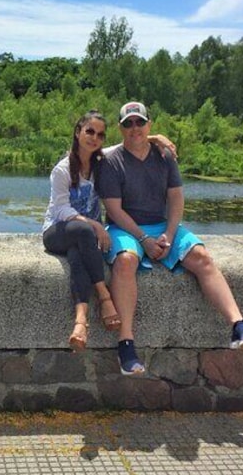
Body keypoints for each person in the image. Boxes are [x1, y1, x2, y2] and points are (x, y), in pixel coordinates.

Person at [98, 101, 243, 376]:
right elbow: (114, 209)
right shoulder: (111, 161)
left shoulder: (164, 156)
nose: (134, 128)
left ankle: (239, 326)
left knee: (202, 257)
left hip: (163, 225)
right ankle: (126, 344)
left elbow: (176, 198)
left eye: (140, 122)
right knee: (125, 261)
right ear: (120, 128)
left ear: (149, 124)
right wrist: (143, 240)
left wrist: (170, 234)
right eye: (128, 124)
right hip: (124, 227)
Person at [42, 110, 174, 352]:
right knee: (83, 232)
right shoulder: (62, 169)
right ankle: (104, 297)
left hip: (85, 238)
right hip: (56, 232)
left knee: (77, 255)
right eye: (89, 131)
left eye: (100, 135)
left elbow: (129, 142)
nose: (94, 138)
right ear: (78, 132)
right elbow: (61, 209)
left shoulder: (101, 162)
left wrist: (156, 138)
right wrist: (94, 224)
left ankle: (80, 322)